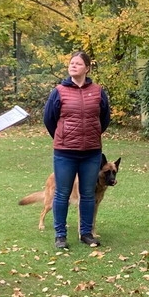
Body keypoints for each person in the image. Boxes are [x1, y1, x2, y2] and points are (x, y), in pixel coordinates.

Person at [43, 51, 110, 250]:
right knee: (62, 193)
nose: (73, 66)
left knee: (88, 193)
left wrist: (91, 135)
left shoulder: (98, 92)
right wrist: (63, 137)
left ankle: (86, 233)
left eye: (78, 63)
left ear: (87, 68)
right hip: (65, 152)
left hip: (91, 152)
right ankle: (60, 235)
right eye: (71, 63)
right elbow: (49, 119)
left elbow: (104, 118)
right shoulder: (59, 91)